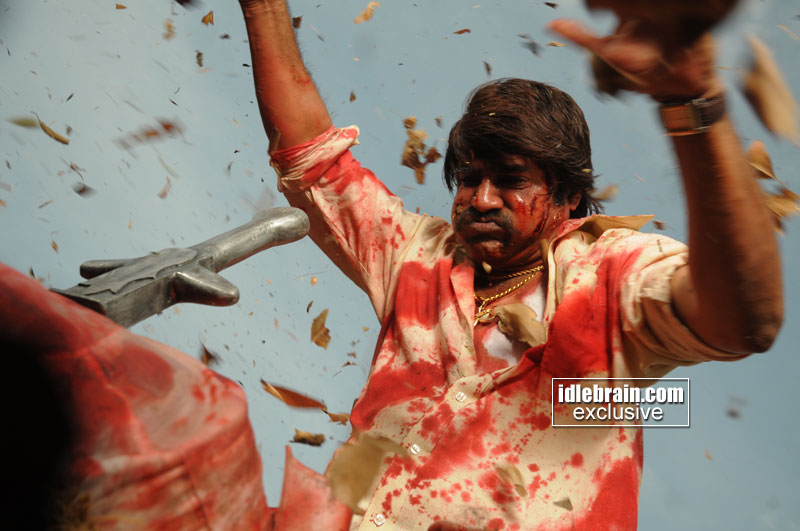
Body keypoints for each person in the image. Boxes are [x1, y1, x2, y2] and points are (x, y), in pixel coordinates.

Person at [239, 0, 783, 529]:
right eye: (469, 179)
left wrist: (691, 104)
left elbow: (744, 320)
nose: (481, 200)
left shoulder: (609, 276)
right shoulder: (418, 258)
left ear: (569, 195)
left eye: (511, 180)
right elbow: (311, 155)